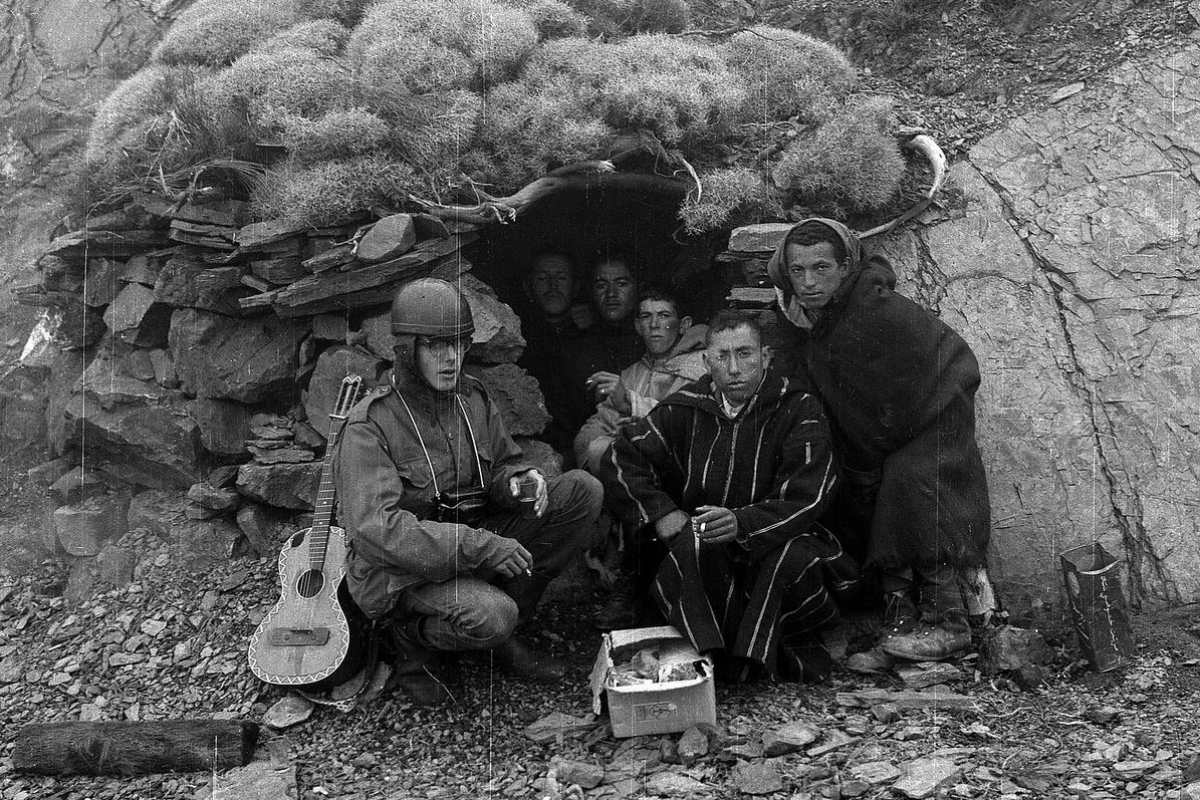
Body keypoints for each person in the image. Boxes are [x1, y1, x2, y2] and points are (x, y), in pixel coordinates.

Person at [333, 278, 604, 705]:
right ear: (406, 350)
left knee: (581, 491)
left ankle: (503, 635)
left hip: (473, 543)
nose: (452, 358)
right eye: (436, 347)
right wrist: (480, 546)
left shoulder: (472, 399)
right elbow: (377, 530)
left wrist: (518, 483)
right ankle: (412, 643)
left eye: (459, 345)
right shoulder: (371, 424)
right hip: (404, 572)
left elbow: (502, 464)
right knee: (493, 615)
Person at [766, 217, 992, 662]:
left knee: (911, 480)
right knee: (863, 488)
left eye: (822, 269)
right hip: (893, 431)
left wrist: (881, 446)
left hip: (936, 419)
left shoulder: (874, 307)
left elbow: (949, 364)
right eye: (798, 271)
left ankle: (949, 623)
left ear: (847, 266)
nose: (809, 282)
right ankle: (899, 619)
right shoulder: (826, 315)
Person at [600, 310, 860, 682]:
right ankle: (710, 661)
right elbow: (621, 457)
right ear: (706, 362)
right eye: (722, 357)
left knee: (791, 560)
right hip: (707, 547)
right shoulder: (686, 407)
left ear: (765, 357)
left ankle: (750, 663)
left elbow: (808, 495)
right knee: (693, 541)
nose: (734, 368)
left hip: (782, 540)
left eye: (745, 354)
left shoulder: (798, 409)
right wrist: (662, 513)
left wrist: (742, 523)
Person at [572, 285, 708, 473]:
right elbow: (597, 425)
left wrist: (630, 405)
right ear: (638, 326)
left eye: (664, 315)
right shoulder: (631, 374)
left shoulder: (701, 368)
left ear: (684, 325)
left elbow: (684, 426)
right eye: (646, 317)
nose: (654, 324)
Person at [546, 257, 642, 450]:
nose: (611, 294)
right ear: (590, 291)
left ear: (638, 288)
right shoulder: (573, 348)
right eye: (601, 285)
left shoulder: (653, 341)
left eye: (622, 284)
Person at [518, 253, 590, 453]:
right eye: (542, 278)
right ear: (528, 287)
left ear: (576, 287)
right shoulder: (517, 336)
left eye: (562, 278)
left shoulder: (591, 332)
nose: (552, 286)